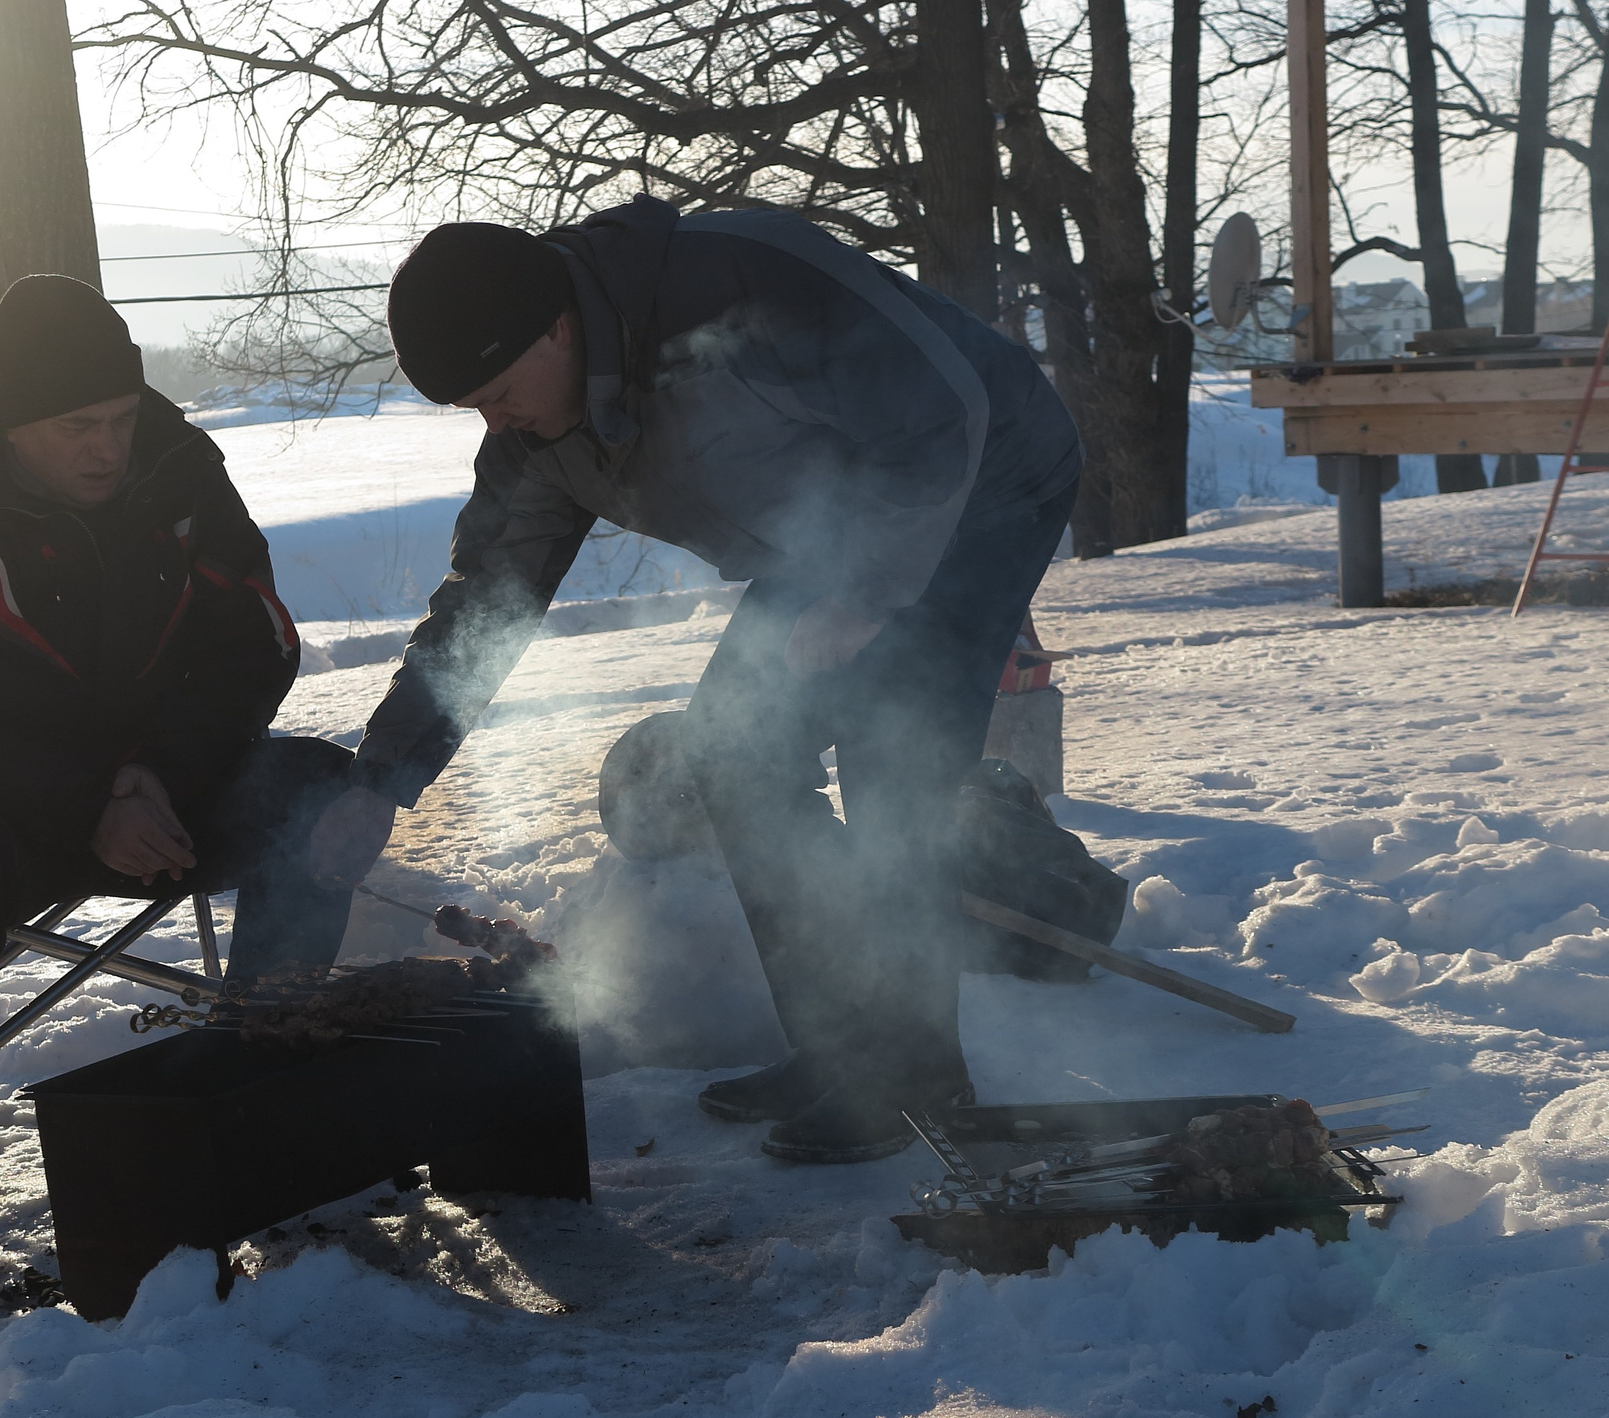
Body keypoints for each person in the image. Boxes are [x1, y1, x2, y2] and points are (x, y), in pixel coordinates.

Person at [301, 200, 1082, 1164]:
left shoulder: (739, 276)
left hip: (977, 482)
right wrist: (385, 778)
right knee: (732, 755)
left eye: (498, 390)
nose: (494, 419)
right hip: (830, 538)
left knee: (896, 764)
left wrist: (872, 593)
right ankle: (839, 1047)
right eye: (476, 408)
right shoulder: (541, 439)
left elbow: (939, 413)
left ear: (558, 326)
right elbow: (483, 605)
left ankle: (912, 1076)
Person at [0, 274, 354, 1245]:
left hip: (169, 793)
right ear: (13, 421)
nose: (110, 447)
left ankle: (260, 1077)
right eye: (78, 426)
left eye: (120, 417)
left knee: (320, 793)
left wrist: (154, 773)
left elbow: (255, 645)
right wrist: (89, 797)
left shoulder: (180, 478)